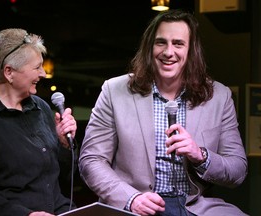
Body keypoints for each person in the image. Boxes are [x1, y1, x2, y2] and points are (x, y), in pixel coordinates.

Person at [78, 9, 248, 216]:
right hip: (138, 205)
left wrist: (200, 155)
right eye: (161, 42)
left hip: (195, 206)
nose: (168, 52)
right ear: (149, 47)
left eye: (178, 43)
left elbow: (237, 170)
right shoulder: (114, 91)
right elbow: (91, 160)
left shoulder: (219, 96)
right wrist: (131, 199)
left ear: (191, 50)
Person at [0, 28, 77, 216]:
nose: (44, 74)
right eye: (37, 67)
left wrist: (64, 144)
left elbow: (61, 179)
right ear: (9, 72)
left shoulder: (42, 108)